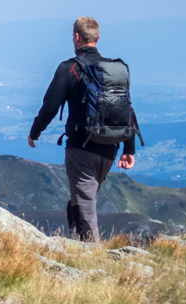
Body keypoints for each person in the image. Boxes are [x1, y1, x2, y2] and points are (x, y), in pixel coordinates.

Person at [27, 17, 138, 242]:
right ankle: (77, 246)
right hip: (109, 149)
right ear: (97, 38)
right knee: (81, 202)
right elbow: (126, 107)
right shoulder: (113, 69)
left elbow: (50, 106)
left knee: (86, 207)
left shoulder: (70, 68)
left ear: (76, 37)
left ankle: (94, 259)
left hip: (81, 149)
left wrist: (34, 132)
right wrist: (129, 148)